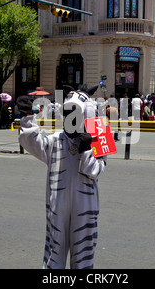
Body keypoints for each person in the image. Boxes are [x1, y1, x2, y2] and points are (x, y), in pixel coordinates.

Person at [17, 84, 107, 269]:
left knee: (83, 255)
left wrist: (86, 149)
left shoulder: (99, 136)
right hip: (57, 204)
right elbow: (32, 142)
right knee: (54, 251)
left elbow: (96, 170)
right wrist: (27, 118)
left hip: (85, 206)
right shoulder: (57, 139)